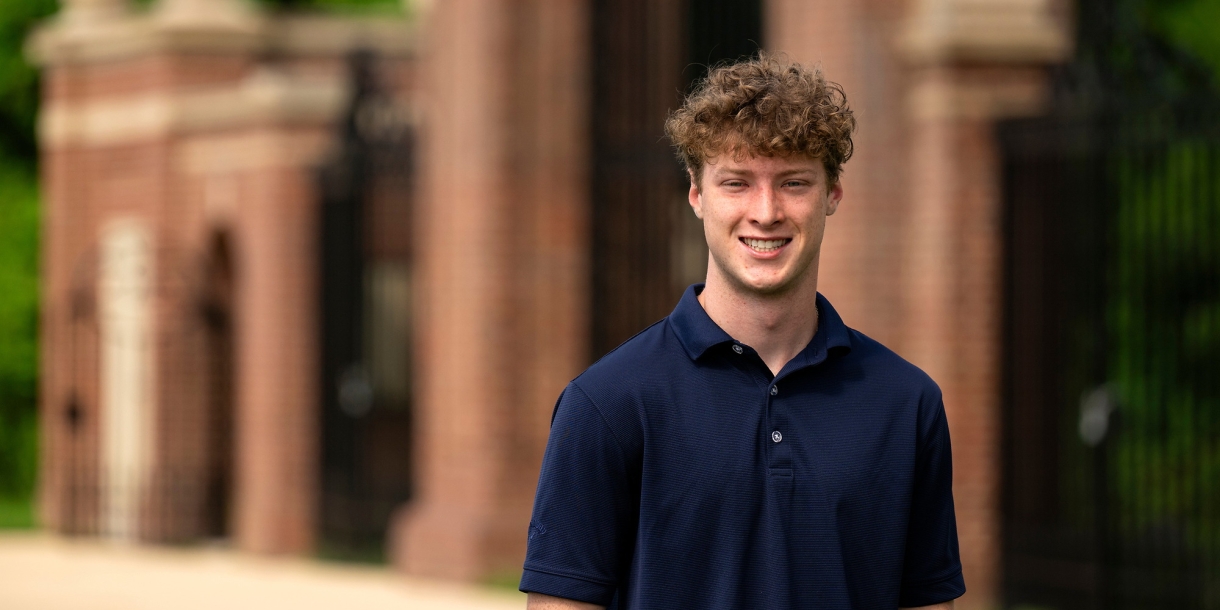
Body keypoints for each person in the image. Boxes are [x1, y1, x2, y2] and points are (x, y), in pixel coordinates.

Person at [519, 53, 965, 610]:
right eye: (736, 183)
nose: (766, 211)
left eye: (794, 182)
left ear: (832, 195)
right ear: (697, 195)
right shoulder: (607, 403)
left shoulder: (906, 403)